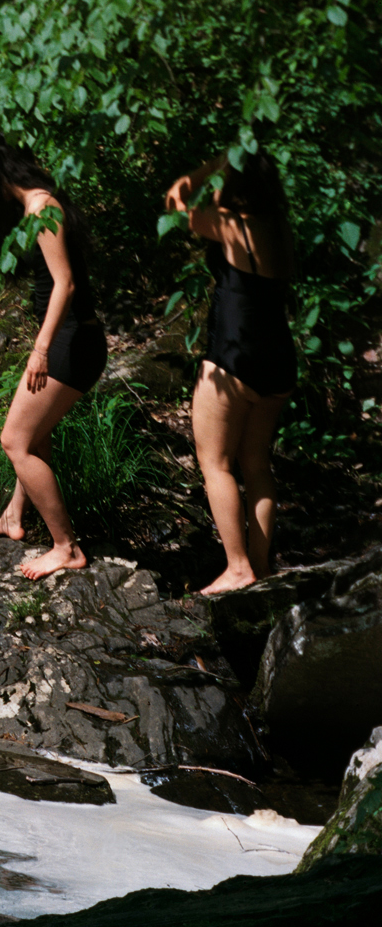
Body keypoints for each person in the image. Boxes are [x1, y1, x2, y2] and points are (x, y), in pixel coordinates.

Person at [167, 150, 296, 594]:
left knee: (215, 463)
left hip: (233, 354)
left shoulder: (231, 223)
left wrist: (216, 161)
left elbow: (174, 201)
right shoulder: (277, 225)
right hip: (278, 356)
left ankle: (238, 566)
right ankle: (259, 567)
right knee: (256, 462)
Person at [0, 143, 104, 579]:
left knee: (14, 440)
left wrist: (41, 349)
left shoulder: (42, 208)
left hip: (73, 342)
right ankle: (15, 514)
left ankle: (66, 547)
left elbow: (65, 285)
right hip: (76, 338)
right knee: (34, 435)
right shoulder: (45, 201)